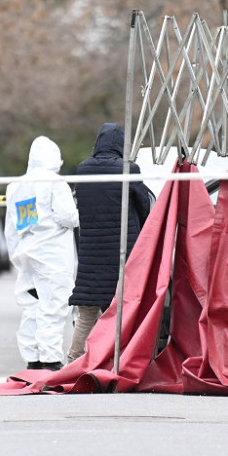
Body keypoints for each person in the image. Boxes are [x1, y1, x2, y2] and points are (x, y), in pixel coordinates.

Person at [66, 124, 154, 362]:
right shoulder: (128, 169)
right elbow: (144, 203)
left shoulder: (82, 170)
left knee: (87, 311)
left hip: (91, 253)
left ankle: (74, 359)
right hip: (123, 252)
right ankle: (119, 360)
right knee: (122, 311)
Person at [4, 136, 80, 370]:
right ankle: (51, 359)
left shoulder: (15, 186)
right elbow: (68, 217)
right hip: (53, 255)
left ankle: (32, 357)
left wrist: (16, 255)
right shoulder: (55, 183)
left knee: (32, 306)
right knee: (54, 306)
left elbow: (11, 226)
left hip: (26, 253)